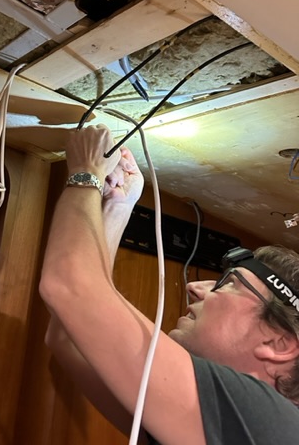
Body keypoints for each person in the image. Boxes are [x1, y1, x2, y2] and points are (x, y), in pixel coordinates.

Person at [39, 124, 299, 444]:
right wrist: (119, 204)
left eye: (229, 283)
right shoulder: (225, 425)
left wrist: (86, 170)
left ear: (279, 344)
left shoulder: (271, 423)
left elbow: (67, 286)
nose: (195, 287)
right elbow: (68, 336)